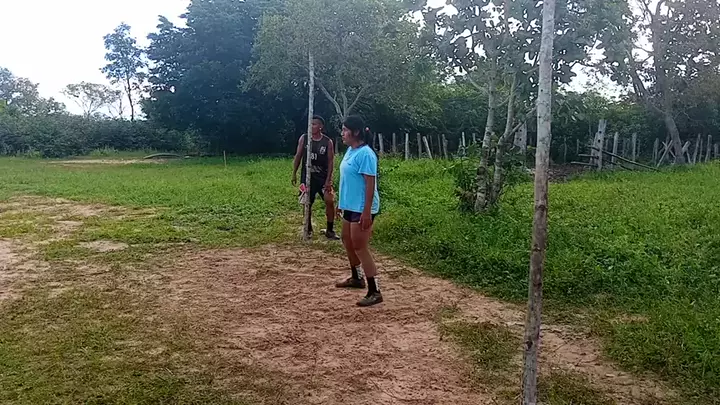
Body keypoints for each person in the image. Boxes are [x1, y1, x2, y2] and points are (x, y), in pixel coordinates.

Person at [335, 115, 382, 307]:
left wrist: (366, 211)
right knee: (347, 240)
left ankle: (375, 290)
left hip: (362, 207)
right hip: (350, 205)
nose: (342, 133)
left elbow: (370, 185)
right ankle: (357, 277)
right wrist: (341, 202)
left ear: (355, 132)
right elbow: (348, 180)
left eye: (345, 130)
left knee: (360, 247)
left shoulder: (366, 154)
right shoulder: (350, 150)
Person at [292, 115, 339, 240]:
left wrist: (329, 179)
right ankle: (308, 228)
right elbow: (298, 156)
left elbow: (330, 162)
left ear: (320, 126)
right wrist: (294, 173)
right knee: (306, 202)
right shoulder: (304, 138)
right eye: (310, 124)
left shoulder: (327, 142)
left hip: (322, 177)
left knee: (329, 200)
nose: (311, 126)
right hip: (307, 177)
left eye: (314, 124)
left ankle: (330, 230)